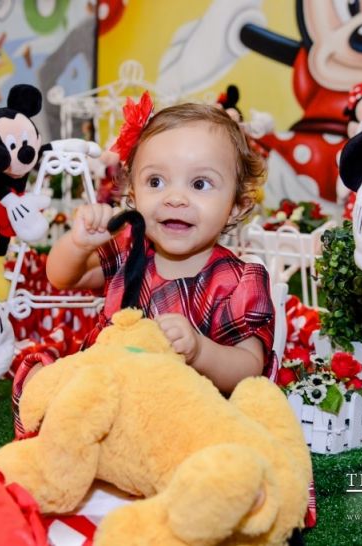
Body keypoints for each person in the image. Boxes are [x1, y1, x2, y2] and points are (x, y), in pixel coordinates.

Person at [44, 93, 275, 394]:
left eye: (199, 184)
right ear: (132, 192)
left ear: (237, 206)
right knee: (45, 372)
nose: (175, 198)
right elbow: (61, 277)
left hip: (183, 407)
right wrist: (78, 245)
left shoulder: (238, 282)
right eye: (155, 182)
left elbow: (250, 367)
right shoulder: (129, 251)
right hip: (110, 390)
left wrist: (201, 352)